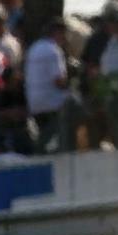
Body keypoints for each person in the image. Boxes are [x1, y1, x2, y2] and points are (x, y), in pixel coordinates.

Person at [24, 17, 71, 154]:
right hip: (52, 102)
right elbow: (58, 81)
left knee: (44, 134)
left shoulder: (34, 48)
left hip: (34, 103)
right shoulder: (53, 50)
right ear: (57, 33)